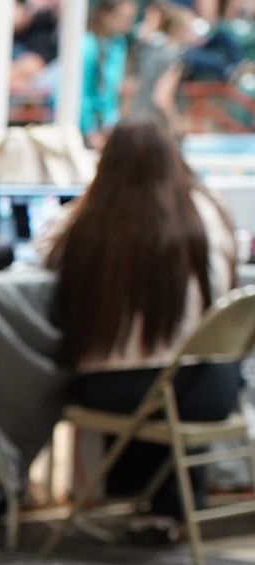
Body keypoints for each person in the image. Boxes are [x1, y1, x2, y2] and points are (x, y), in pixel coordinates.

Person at [46, 115, 238, 524]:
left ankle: (131, 499)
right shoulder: (208, 213)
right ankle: (173, 508)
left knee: (71, 373)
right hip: (211, 390)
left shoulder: (92, 222)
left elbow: (44, 249)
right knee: (179, 369)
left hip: (122, 389)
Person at [79, 0, 136, 141]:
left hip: (107, 126)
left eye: (130, 19)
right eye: (122, 17)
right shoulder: (85, 46)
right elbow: (81, 92)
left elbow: (112, 90)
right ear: (104, 14)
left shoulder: (119, 44)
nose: (127, 24)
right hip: (84, 128)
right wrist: (89, 130)